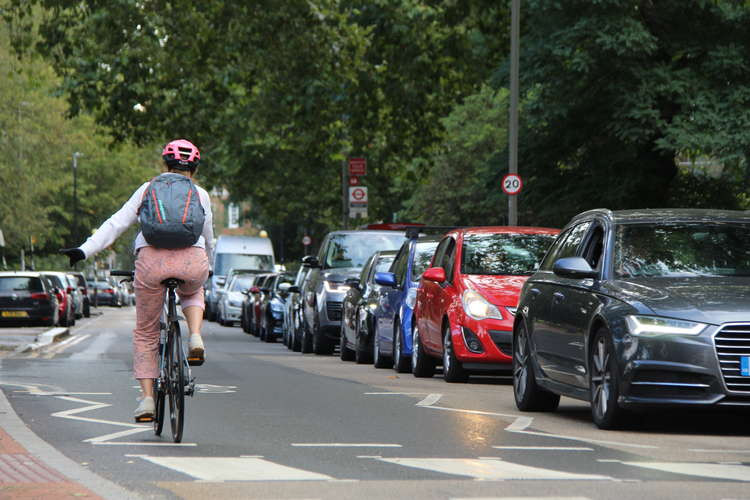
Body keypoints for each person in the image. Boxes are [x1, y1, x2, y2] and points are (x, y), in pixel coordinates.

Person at [60, 139, 213, 422]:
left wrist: (84, 249)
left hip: (151, 264)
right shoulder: (200, 194)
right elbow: (207, 236)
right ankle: (195, 336)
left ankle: (146, 401)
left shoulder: (147, 189)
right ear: (194, 167)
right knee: (193, 292)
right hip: (193, 261)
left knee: (146, 333)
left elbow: (116, 223)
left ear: (164, 164)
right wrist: (207, 266)